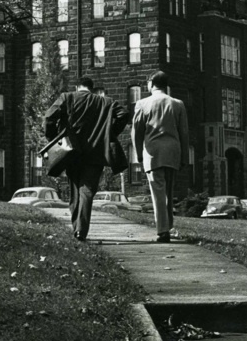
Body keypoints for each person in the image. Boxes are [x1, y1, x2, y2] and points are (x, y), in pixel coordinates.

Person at [44, 76, 129, 241]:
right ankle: (80, 229)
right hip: (96, 153)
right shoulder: (105, 102)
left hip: (71, 151)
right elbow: (123, 114)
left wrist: (54, 139)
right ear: (92, 88)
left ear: (77, 87)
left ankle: (77, 228)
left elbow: (49, 117)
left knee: (75, 189)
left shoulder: (67, 98)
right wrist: (110, 133)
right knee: (87, 190)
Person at [132, 71, 189, 243]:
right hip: (173, 152)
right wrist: (184, 157)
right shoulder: (178, 104)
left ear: (151, 84)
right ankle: (168, 226)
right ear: (166, 85)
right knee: (168, 193)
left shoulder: (142, 104)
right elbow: (184, 133)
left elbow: (136, 132)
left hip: (153, 153)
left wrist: (138, 154)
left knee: (158, 192)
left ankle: (163, 231)